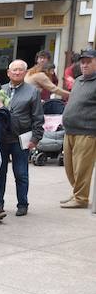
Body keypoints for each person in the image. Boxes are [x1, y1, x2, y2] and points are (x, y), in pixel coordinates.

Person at [0, 60, 42, 220]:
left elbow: (38, 117)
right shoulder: (0, 90)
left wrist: (36, 138)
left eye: (20, 70)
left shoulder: (32, 92)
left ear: (25, 73)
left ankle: (22, 204)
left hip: (21, 138)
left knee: (21, 173)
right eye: (14, 70)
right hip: (1, 137)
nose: (17, 73)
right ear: (8, 73)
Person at [58, 48, 96, 209]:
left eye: (89, 62)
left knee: (82, 168)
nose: (84, 65)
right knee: (70, 166)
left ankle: (81, 198)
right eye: (83, 62)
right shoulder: (79, 80)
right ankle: (77, 192)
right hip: (70, 130)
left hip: (87, 131)